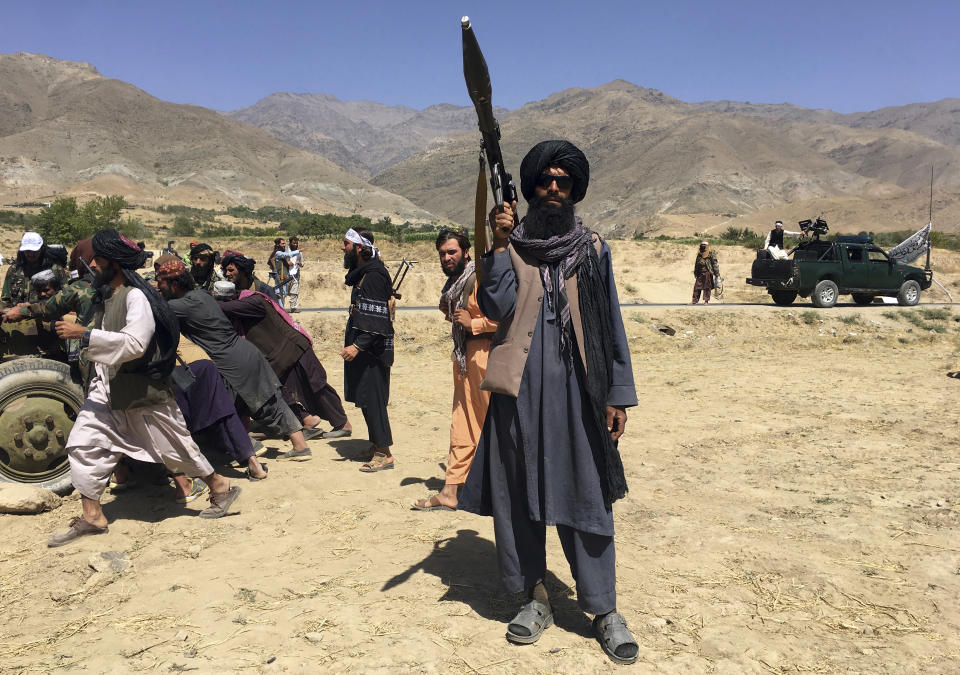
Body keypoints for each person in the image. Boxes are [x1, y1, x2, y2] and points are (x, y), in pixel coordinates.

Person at [459, 140, 639, 664]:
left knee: (588, 498)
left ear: (575, 189)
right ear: (533, 188)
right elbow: (494, 306)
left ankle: (603, 610)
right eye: (546, 181)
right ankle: (534, 599)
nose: (554, 188)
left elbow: (611, 327)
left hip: (581, 395)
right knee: (520, 498)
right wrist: (495, 246)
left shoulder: (594, 249)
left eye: (563, 181)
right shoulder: (512, 247)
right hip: (520, 396)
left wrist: (617, 395)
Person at [46, 229, 241, 547]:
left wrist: (84, 334)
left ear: (114, 263)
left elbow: (136, 343)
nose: (92, 265)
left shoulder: (136, 297)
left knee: (175, 448)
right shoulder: (107, 296)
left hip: (140, 391)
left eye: (97, 260)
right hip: (107, 391)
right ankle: (93, 515)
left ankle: (220, 487)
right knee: (83, 444)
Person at [155, 258, 320, 461]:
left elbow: (154, 311)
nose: (158, 286)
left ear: (174, 284)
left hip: (230, 362)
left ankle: (247, 447)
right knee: (266, 402)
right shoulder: (201, 295)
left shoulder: (180, 305)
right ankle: (298, 446)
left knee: (227, 408)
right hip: (247, 353)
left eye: (160, 281)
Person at [413, 229, 496, 511]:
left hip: (487, 357)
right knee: (461, 424)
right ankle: (451, 490)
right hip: (464, 358)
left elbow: (511, 316)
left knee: (493, 426)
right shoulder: (457, 283)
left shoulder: (481, 278)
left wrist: (474, 323)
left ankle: (504, 490)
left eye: (452, 252)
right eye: (442, 253)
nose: (447, 258)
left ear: (466, 252)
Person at [214, 279, 351, 437]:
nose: (228, 274)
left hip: (294, 348)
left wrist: (201, 300)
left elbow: (221, 307)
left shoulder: (253, 301)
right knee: (280, 393)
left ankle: (343, 424)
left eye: (232, 270)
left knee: (316, 386)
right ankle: (306, 420)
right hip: (278, 357)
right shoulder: (242, 303)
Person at [340, 228, 395, 472]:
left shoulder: (374, 274)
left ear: (359, 248)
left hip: (371, 350)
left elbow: (377, 320)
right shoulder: (363, 273)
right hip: (364, 346)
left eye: (346, 244)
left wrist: (357, 345)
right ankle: (376, 445)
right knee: (365, 399)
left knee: (373, 400)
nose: (343, 248)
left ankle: (384, 453)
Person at [1, 231, 70, 308]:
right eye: (27, 251)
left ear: (41, 249)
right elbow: (5, 300)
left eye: (34, 251)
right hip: (17, 317)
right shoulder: (14, 270)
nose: (30, 254)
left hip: (46, 317)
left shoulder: (56, 270)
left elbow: (66, 297)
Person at [274, 236, 305, 313]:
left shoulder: (299, 253)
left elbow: (302, 263)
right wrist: (287, 263)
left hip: (295, 275)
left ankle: (293, 308)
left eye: (296, 243)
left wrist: (299, 263)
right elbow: (283, 258)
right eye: (294, 243)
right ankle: (281, 308)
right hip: (285, 275)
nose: (295, 245)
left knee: (294, 292)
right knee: (283, 293)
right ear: (290, 243)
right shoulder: (284, 251)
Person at [267, 238, 290, 309]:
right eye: (282, 243)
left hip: (284, 275)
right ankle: (281, 309)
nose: (284, 245)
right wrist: (276, 272)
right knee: (279, 293)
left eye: (284, 243)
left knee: (284, 293)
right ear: (278, 244)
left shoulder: (281, 252)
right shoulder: (277, 252)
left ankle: (281, 308)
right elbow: (271, 262)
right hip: (279, 275)